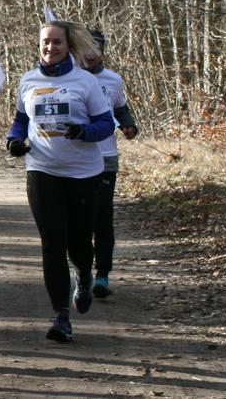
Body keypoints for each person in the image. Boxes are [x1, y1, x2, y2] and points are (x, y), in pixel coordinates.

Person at [6, 20, 115, 343]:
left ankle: (83, 273)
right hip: (42, 170)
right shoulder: (28, 80)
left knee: (79, 241)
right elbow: (21, 120)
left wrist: (84, 132)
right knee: (52, 242)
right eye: (45, 42)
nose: (50, 48)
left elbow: (105, 123)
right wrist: (14, 141)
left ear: (68, 47)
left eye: (56, 43)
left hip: (83, 173)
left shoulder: (84, 82)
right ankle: (60, 316)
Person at [82, 30, 138, 298]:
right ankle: (82, 271)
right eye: (86, 48)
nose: (91, 54)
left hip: (105, 158)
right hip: (73, 160)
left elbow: (119, 108)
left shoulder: (113, 79)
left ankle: (102, 274)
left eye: (97, 48)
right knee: (78, 220)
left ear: (103, 51)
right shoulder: (68, 79)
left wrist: (128, 124)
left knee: (102, 218)